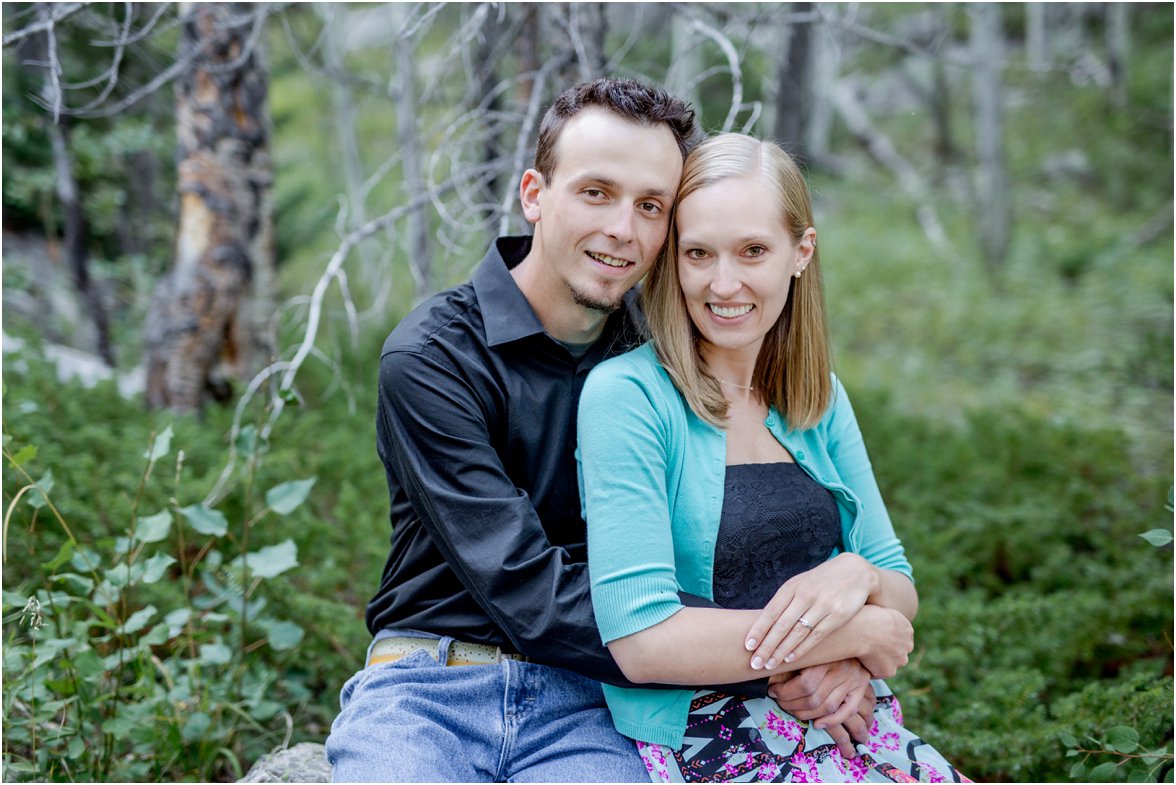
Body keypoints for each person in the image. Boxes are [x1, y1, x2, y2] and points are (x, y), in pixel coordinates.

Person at [326, 78, 777, 783]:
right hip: (427, 685)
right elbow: (525, 587)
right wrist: (780, 650)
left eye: (650, 206)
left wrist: (833, 623)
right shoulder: (433, 358)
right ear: (535, 194)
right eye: (596, 192)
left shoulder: (665, 361)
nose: (623, 229)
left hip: (592, 705)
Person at [578, 133, 968, 783]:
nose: (722, 283)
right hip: (708, 732)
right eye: (698, 253)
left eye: (752, 250)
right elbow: (642, 640)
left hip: (851, 718)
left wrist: (857, 581)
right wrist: (847, 636)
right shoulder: (629, 397)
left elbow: (896, 584)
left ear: (800, 251)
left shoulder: (816, 397)